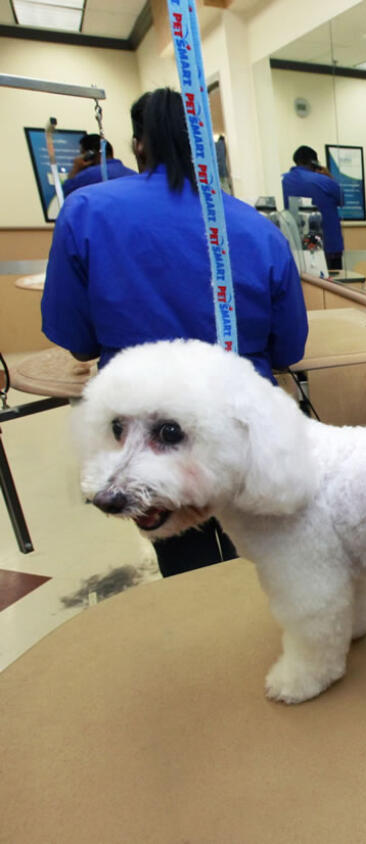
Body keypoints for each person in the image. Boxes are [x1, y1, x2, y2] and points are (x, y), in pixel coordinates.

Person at [42, 88, 309, 579]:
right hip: (240, 429)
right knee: (266, 562)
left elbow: (77, 340)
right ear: (207, 144)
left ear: (138, 144)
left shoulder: (85, 212)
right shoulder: (256, 227)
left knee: (189, 569)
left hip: (152, 437)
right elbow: (289, 348)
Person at [281, 145, 345, 271]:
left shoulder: (283, 180)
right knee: (333, 286)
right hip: (328, 246)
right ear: (314, 162)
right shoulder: (325, 181)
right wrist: (329, 176)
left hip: (297, 246)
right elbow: (341, 199)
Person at [61, 133, 137, 197]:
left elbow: (67, 193)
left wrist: (76, 168)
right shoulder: (133, 174)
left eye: (82, 153)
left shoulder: (91, 174)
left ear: (90, 154)